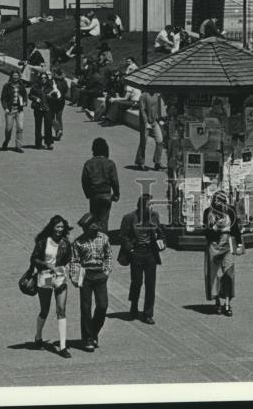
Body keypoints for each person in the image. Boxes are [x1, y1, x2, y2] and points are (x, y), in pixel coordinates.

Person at [118, 193, 165, 324]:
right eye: (149, 205)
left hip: (150, 253)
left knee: (151, 285)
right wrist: (131, 249)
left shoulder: (154, 217)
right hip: (136, 253)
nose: (151, 207)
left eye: (152, 205)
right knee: (136, 282)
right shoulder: (129, 218)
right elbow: (123, 236)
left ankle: (148, 313)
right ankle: (134, 306)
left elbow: (160, 232)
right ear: (142, 206)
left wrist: (162, 242)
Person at [30, 215, 73, 357]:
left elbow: (68, 259)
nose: (60, 230)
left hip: (60, 277)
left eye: (62, 227)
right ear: (52, 227)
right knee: (45, 309)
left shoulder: (66, 243)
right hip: (46, 276)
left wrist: (67, 269)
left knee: (61, 310)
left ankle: (62, 346)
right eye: (57, 227)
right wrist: (47, 265)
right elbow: (34, 258)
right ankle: (38, 336)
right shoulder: (43, 241)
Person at [69, 212, 113, 351]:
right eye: (88, 227)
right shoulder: (78, 242)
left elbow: (108, 255)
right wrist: (74, 277)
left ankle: (93, 332)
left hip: (100, 275)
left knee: (102, 305)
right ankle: (88, 338)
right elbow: (75, 261)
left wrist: (107, 271)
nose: (92, 228)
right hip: (86, 276)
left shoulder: (104, 238)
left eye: (94, 225)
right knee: (86, 308)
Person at [204, 191, 244, 316]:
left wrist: (239, 244)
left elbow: (235, 228)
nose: (219, 205)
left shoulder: (230, 211)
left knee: (228, 273)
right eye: (217, 202)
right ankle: (217, 302)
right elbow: (205, 233)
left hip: (227, 244)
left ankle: (227, 303)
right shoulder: (208, 212)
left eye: (221, 202)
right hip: (214, 245)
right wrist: (214, 228)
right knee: (214, 274)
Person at [81, 137, 120, 233]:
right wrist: (116, 194)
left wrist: (88, 194)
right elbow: (114, 181)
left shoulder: (88, 163)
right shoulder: (110, 164)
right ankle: (103, 241)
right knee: (104, 221)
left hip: (94, 195)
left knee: (93, 219)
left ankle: (93, 239)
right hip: (106, 195)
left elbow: (84, 181)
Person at [135, 89, 164, 170]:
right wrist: (146, 122)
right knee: (143, 141)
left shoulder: (156, 95)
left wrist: (160, 119)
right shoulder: (143, 96)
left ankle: (157, 162)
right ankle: (140, 162)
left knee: (160, 141)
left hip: (154, 122)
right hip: (145, 122)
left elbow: (158, 109)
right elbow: (142, 110)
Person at [0, 71, 27, 152]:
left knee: (20, 128)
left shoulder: (21, 85)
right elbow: (3, 98)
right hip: (10, 109)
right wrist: (5, 108)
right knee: (9, 128)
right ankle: (6, 141)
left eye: (17, 75)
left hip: (19, 109)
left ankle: (18, 146)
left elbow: (25, 94)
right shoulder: (7, 86)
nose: (15, 77)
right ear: (11, 76)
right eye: (14, 75)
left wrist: (25, 101)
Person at [29, 71, 55, 150]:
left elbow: (55, 97)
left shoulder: (50, 87)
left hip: (47, 108)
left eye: (45, 78)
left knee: (48, 126)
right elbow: (30, 95)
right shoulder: (35, 86)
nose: (43, 79)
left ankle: (48, 143)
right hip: (38, 108)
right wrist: (36, 98)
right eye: (42, 78)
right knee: (38, 126)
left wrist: (50, 97)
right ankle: (38, 143)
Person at [51, 66, 69, 141]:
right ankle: (60, 132)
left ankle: (58, 130)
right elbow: (66, 91)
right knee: (59, 117)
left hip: (53, 101)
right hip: (62, 101)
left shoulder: (53, 82)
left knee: (51, 117)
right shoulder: (64, 82)